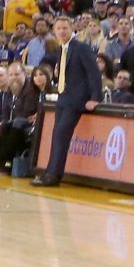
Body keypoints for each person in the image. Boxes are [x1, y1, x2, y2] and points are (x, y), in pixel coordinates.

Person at [34, 15, 103, 187]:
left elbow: (94, 73)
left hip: (77, 99)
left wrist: (95, 98)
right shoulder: (61, 48)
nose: (62, 31)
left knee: (61, 135)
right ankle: (51, 173)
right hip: (63, 97)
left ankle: (53, 175)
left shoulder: (81, 47)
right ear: (54, 31)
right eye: (59, 28)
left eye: (65, 28)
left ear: (72, 28)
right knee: (57, 135)